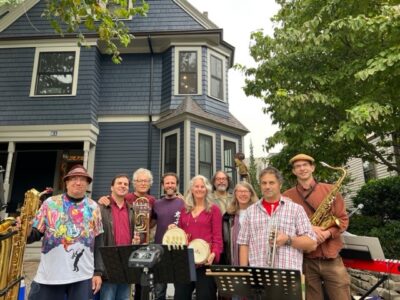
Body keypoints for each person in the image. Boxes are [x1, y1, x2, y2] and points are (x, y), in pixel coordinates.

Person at [27, 164, 103, 300]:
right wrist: (24, 229)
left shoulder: (94, 207)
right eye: (73, 178)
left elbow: (99, 241)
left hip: (82, 276)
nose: (78, 182)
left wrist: (98, 272)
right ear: (66, 182)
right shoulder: (50, 203)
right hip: (50, 276)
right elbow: (34, 234)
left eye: (82, 179)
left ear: (87, 184)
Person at [283, 154, 351, 300]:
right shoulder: (287, 196)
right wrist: (311, 229)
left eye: (305, 165)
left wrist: (327, 234)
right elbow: (285, 227)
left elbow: (343, 220)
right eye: (297, 166)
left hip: (331, 257)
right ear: (294, 171)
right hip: (305, 259)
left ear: (312, 167)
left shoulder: (330, 189)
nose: (302, 169)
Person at [237, 166, 316, 271]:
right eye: (264, 183)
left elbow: (312, 243)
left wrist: (288, 240)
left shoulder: (296, 209)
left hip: (288, 276)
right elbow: (244, 244)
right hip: (259, 274)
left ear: (280, 185)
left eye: (271, 183)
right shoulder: (250, 212)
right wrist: (244, 273)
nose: (267, 186)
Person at [171, 175, 223, 300]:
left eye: (202, 186)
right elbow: (180, 235)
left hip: (205, 261)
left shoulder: (214, 210)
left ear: (207, 189)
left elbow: (217, 237)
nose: (199, 189)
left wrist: (214, 253)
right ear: (191, 189)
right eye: (196, 186)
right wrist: (173, 230)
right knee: (180, 296)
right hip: (186, 261)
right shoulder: (184, 210)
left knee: (205, 296)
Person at [96, 174, 135, 300]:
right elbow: (96, 238)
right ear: (111, 187)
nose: (123, 186)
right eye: (119, 183)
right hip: (109, 263)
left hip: (126, 262)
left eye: (125, 184)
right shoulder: (101, 207)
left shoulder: (131, 210)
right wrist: (97, 269)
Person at [152, 172, 185, 300]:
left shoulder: (184, 203)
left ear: (177, 185)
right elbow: (151, 223)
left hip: (179, 250)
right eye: (167, 183)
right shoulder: (157, 203)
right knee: (159, 289)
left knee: (180, 289)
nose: (170, 185)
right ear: (162, 185)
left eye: (172, 183)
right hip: (160, 249)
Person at [223, 181, 258, 265]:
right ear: (235, 194)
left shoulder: (258, 213)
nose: (243, 194)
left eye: (246, 191)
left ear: (251, 194)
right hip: (232, 257)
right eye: (240, 191)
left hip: (254, 257)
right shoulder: (228, 216)